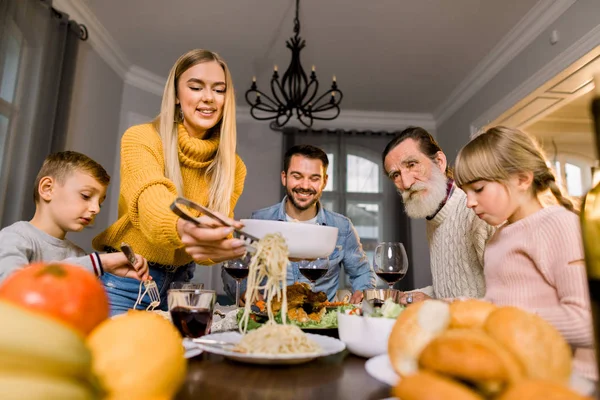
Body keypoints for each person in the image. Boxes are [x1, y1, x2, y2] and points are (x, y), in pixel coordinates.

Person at [93, 49, 247, 316]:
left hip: (182, 286)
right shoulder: (141, 138)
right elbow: (151, 200)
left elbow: (206, 251)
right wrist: (185, 226)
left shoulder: (234, 167)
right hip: (128, 280)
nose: (209, 98)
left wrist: (228, 247)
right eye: (196, 87)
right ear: (176, 95)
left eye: (219, 90)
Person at [454, 125, 596, 381]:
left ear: (522, 179)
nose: (470, 202)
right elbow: (505, 304)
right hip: (520, 372)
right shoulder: (498, 238)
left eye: (478, 188)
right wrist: (464, 307)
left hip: (569, 380)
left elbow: (587, 322)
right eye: (465, 192)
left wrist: (496, 319)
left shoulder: (558, 224)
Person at [222, 144, 376, 303]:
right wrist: (245, 291)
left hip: (321, 323)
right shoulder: (258, 221)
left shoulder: (342, 227)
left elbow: (362, 273)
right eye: (297, 176)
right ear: (284, 178)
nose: (305, 186)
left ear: (324, 182)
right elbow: (231, 267)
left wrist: (362, 292)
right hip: (268, 321)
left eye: (314, 178)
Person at [382, 127, 495, 305]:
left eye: (412, 165)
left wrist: (436, 304)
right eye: (396, 175)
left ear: (440, 162)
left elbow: (506, 297)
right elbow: (453, 287)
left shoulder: (477, 210)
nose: (406, 182)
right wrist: (405, 296)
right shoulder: (434, 215)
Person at [0, 151, 149, 282]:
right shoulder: (14, 238)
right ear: (47, 189)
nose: (96, 209)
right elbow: (13, 286)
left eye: (100, 203)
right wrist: (98, 263)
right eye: (86, 196)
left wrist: (107, 273)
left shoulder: (78, 255)